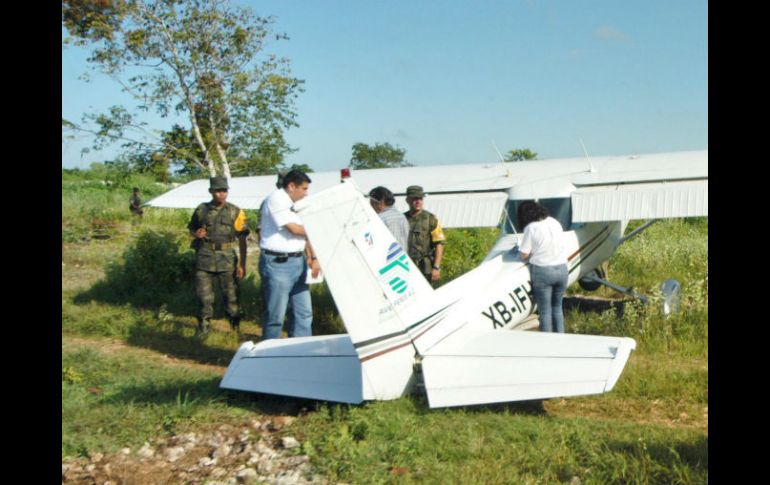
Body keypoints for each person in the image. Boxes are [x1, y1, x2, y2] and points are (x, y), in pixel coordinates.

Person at [258, 169, 321, 340]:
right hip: (278, 264)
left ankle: (301, 348)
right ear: (292, 186)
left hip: (298, 261)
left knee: (304, 313)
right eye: (304, 189)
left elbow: (305, 234)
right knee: (276, 316)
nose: (306, 193)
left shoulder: (297, 203)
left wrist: (313, 257)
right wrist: (321, 228)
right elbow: (294, 229)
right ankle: (270, 351)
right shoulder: (276, 199)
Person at [187, 176, 250, 338]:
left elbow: (242, 239)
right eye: (218, 191)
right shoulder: (201, 209)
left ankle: (235, 328)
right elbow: (191, 227)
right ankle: (203, 327)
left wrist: (242, 264)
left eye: (224, 191)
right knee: (204, 297)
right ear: (211, 191)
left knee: (231, 296)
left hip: (227, 259)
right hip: (204, 257)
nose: (221, 194)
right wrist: (196, 233)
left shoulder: (236, 211)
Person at [517, 200, 568, 333]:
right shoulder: (554, 222)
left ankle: (547, 341)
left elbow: (524, 254)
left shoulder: (531, 228)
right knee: (557, 308)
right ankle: (561, 337)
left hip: (543, 272)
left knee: (545, 311)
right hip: (562, 269)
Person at [404, 185, 446, 284]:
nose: (418, 201)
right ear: (407, 200)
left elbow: (439, 244)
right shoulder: (401, 219)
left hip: (425, 267)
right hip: (405, 266)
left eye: (420, 199)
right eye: (414, 199)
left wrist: (436, 267)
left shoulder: (431, 219)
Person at [368, 186, 409, 250]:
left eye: (372, 202)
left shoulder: (380, 219)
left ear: (380, 202)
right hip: (402, 255)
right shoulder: (402, 216)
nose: (371, 206)